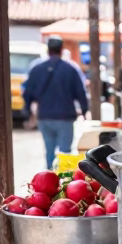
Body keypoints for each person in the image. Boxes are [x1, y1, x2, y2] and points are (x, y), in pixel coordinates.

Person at [23, 36, 90, 170]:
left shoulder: (37, 69)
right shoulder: (71, 69)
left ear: (48, 50)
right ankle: (63, 181)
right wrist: (84, 110)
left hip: (45, 116)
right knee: (65, 152)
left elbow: (27, 91)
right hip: (65, 117)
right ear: (61, 50)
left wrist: (28, 111)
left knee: (49, 151)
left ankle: (50, 179)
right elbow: (81, 92)